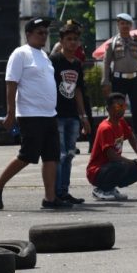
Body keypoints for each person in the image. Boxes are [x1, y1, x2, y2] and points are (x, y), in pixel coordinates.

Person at [0, 17, 65, 210]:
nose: (44, 36)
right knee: (28, 155)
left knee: (52, 156)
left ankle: (50, 198)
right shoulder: (20, 53)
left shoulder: (44, 56)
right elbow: (11, 83)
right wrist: (11, 113)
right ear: (28, 34)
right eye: (40, 32)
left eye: (46, 33)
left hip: (48, 114)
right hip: (30, 114)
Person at [50, 21, 90, 205]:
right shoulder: (55, 61)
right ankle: (55, 192)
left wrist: (83, 117)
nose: (72, 43)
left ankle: (64, 191)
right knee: (60, 154)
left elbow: (78, 91)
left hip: (73, 115)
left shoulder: (77, 64)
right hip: (56, 114)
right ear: (61, 41)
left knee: (70, 154)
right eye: (69, 39)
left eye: (75, 39)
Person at [101, 13, 137, 152]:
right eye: (122, 23)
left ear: (131, 26)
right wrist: (105, 80)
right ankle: (115, 139)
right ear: (118, 25)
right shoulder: (112, 42)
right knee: (117, 110)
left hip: (135, 79)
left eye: (127, 24)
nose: (125, 26)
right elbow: (106, 63)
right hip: (118, 79)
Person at [87, 93, 137, 200]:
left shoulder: (121, 122)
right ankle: (100, 190)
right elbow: (112, 156)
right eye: (118, 106)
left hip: (112, 166)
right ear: (108, 109)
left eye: (124, 106)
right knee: (121, 164)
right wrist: (135, 162)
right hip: (97, 172)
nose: (122, 109)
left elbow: (131, 137)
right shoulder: (105, 128)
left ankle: (110, 187)